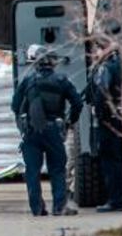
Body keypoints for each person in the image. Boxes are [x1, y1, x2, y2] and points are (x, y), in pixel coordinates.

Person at [12, 44, 84, 217]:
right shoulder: (62, 80)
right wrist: (70, 121)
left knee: (32, 171)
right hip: (54, 129)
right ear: (52, 63)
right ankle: (59, 207)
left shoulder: (28, 81)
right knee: (57, 170)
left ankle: (36, 208)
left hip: (31, 131)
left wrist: (23, 122)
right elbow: (78, 103)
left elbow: (15, 105)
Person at [89, 51, 122, 213]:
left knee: (111, 162)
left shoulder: (107, 68)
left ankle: (115, 200)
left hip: (111, 121)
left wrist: (101, 117)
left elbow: (102, 93)